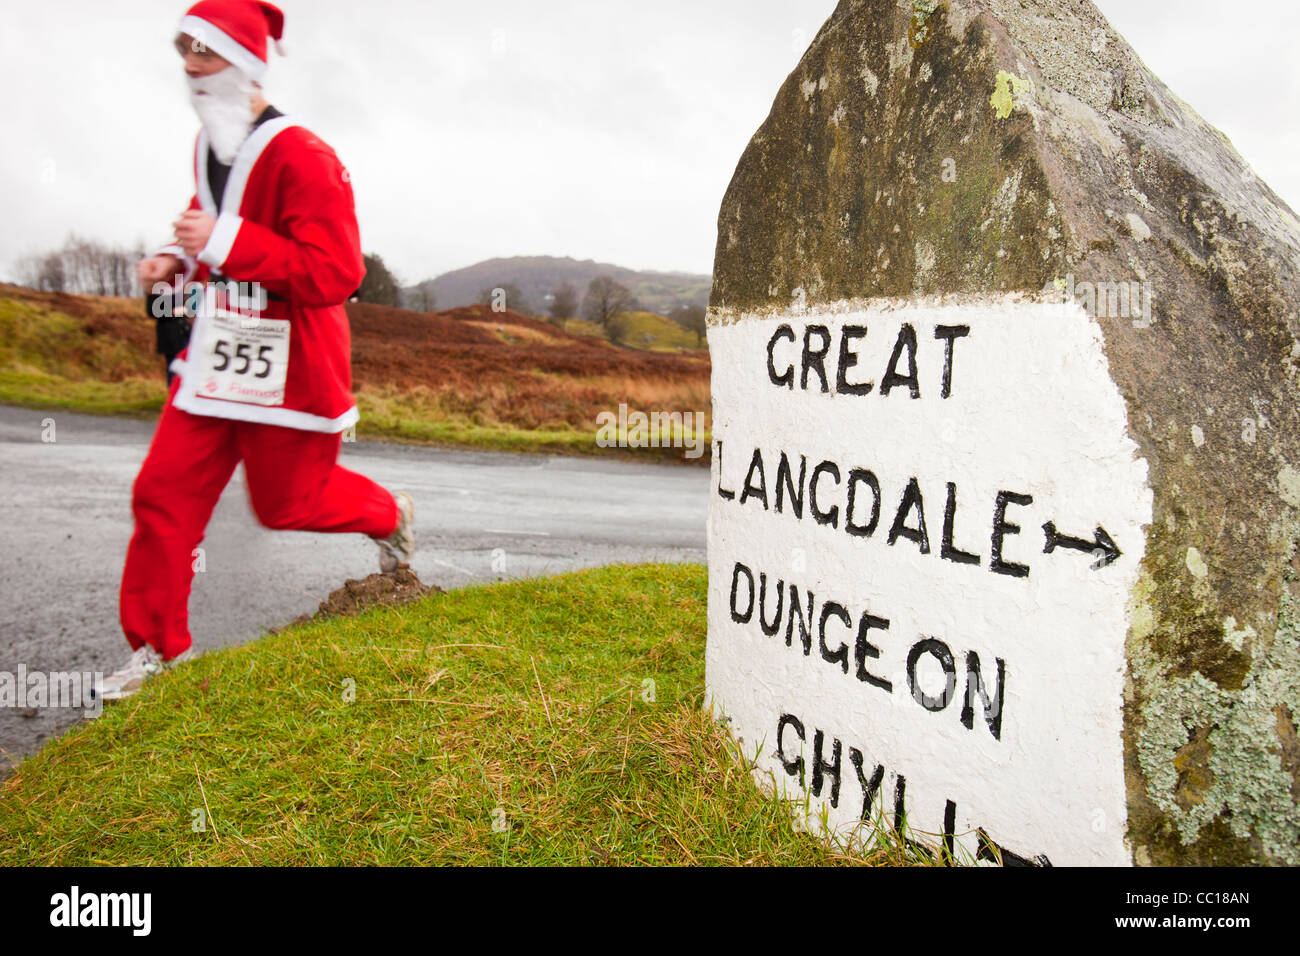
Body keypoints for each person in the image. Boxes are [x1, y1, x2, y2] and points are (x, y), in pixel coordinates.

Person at [97, 0, 415, 700]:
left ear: (243, 62)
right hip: (216, 361)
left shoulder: (305, 155)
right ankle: (157, 654)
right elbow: (206, 226)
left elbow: (335, 273)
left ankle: (389, 514)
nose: (188, 65)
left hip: (292, 370)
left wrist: (220, 242)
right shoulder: (208, 144)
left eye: (204, 52)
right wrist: (172, 262)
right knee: (161, 495)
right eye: (183, 49)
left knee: (287, 505)